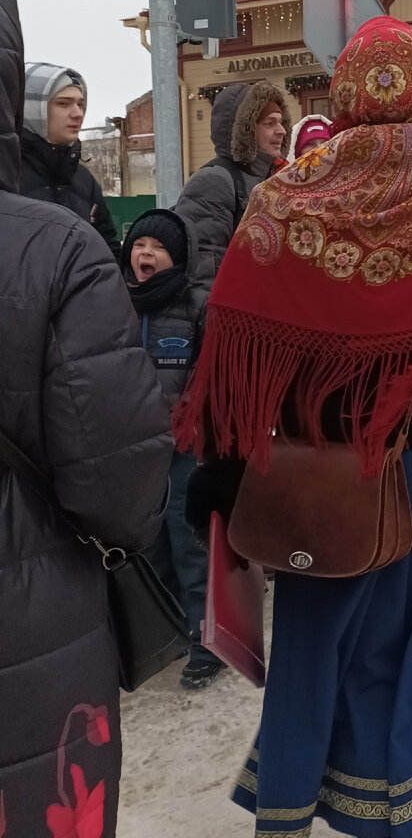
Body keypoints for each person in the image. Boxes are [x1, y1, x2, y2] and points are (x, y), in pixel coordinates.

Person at [175, 18, 412, 838]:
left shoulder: (288, 195)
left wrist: (222, 479)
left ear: (347, 94)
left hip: (347, 474)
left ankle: (385, 817)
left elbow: (242, 347)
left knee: (361, 663)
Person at [0, 0, 175, 838]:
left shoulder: (76, 202)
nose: (77, 116)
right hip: (29, 617)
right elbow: (120, 476)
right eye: (62, 102)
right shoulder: (48, 237)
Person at [119, 208, 223, 690]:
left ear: (177, 257)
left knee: (189, 545)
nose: (146, 253)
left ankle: (208, 643)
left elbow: (212, 373)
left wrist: (191, 418)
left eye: (157, 247)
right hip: (134, 450)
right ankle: (167, 636)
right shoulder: (112, 302)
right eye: (139, 245)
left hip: (184, 449)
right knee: (148, 547)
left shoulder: (197, 303)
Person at [173, 79, 290, 290]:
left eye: (281, 122)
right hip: (230, 314)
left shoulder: (274, 178)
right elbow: (202, 271)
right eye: (269, 123)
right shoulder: (213, 182)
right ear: (245, 130)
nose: (281, 130)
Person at [19, 61, 121, 258]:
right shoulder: (8, 174)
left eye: (80, 104)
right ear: (29, 108)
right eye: (63, 103)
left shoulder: (84, 180)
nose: (78, 114)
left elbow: (108, 250)